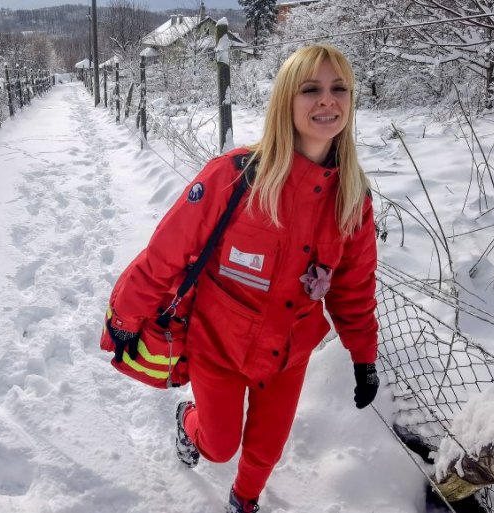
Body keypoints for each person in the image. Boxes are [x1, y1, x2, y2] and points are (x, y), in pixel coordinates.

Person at [106, 44, 380, 513]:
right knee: (220, 446)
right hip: (218, 346)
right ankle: (188, 420)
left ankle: (244, 501)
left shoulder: (352, 198)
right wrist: (126, 317)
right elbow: (165, 254)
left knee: (267, 449)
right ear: (286, 99)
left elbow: (354, 288)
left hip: (288, 354)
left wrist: (363, 356)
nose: (327, 100)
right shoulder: (234, 177)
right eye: (310, 89)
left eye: (339, 89)